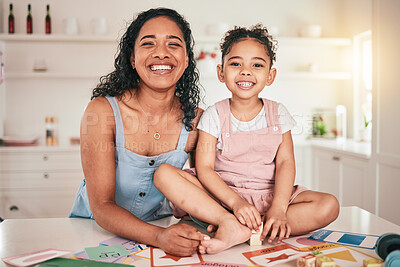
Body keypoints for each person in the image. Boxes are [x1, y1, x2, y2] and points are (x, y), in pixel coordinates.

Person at [154, 24, 340, 254]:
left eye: (257, 65)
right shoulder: (214, 115)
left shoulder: (278, 113)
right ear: (221, 72)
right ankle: (229, 221)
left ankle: (252, 227)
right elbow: (204, 168)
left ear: (270, 75)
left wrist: (280, 208)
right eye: (236, 64)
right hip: (222, 199)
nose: (245, 71)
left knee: (329, 205)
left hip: (269, 197)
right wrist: (236, 203)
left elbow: (285, 163)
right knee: (164, 174)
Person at [69, 8, 207, 256]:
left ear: (186, 59)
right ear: (132, 58)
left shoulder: (197, 120)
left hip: (160, 232)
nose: (161, 53)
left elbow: (202, 194)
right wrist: (160, 237)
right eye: (148, 43)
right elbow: (101, 206)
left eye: (173, 44)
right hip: (93, 233)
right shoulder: (101, 111)